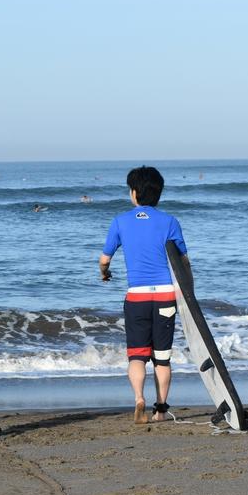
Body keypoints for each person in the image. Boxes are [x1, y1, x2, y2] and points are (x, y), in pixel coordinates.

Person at [98, 166, 190, 424]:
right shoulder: (170, 222)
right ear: (158, 194)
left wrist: (105, 273)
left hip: (136, 297)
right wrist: (188, 292)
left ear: (134, 193)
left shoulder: (120, 221)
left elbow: (104, 259)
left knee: (137, 355)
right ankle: (160, 409)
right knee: (162, 357)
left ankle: (139, 397)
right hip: (165, 296)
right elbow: (183, 261)